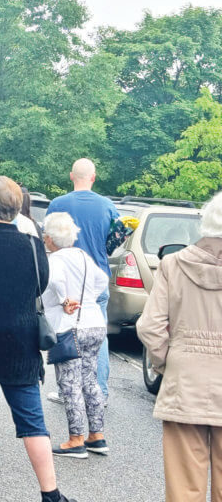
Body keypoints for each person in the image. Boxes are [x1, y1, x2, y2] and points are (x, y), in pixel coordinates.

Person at [0, 176, 77, 502]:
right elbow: (39, 288)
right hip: (19, 341)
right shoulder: (34, 248)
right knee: (33, 421)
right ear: (17, 209)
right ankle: (51, 494)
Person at [137, 191, 222, 502]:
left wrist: (166, 362)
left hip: (185, 380)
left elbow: (149, 327)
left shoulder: (173, 264)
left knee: (184, 487)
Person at [46, 158, 119, 402]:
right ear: (94, 177)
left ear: (70, 176)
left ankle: (69, 391)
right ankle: (99, 392)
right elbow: (114, 239)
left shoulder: (57, 204)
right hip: (96, 278)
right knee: (99, 335)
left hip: (65, 280)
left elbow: (48, 239)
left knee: (66, 333)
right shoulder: (107, 206)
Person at [41, 212, 109, 459]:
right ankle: (97, 436)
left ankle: (76, 439)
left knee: (69, 384)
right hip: (94, 324)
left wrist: (64, 300)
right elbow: (102, 281)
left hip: (71, 327)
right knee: (89, 381)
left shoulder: (55, 259)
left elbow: (55, 281)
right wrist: (86, 299)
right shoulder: (83, 256)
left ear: (50, 238)